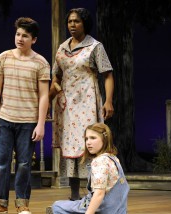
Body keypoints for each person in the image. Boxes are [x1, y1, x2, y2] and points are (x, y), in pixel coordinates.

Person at [0, 17, 50, 214]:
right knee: (1, 163)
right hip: (5, 118)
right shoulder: (4, 57)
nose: (20, 39)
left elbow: (44, 95)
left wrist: (41, 124)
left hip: (28, 121)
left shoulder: (41, 62)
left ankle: (22, 204)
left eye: (25, 36)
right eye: (18, 34)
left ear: (34, 40)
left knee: (23, 164)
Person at [49, 8, 115, 200]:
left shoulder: (95, 46)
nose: (72, 25)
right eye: (69, 21)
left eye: (76, 21)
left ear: (85, 23)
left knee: (88, 144)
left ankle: (94, 195)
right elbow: (57, 76)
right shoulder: (62, 48)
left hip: (87, 101)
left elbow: (108, 74)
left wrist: (109, 100)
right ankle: (74, 195)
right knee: (70, 147)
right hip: (67, 105)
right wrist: (48, 98)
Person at [52, 123, 129, 214]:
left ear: (104, 139)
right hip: (118, 210)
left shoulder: (100, 162)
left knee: (57, 206)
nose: (88, 142)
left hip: (103, 208)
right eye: (86, 139)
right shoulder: (113, 158)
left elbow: (99, 194)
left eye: (93, 138)